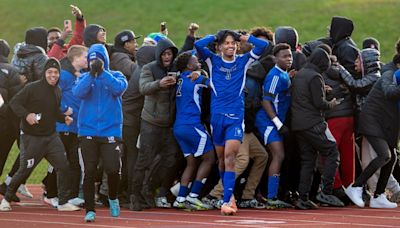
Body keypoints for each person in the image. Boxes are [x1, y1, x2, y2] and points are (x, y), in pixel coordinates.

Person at [195, 29, 268, 215]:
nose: (230, 46)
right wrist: (216, 36)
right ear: (219, 47)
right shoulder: (213, 61)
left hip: (235, 118)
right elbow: (198, 45)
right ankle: (229, 194)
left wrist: (245, 38)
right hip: (217, 119)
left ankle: (227, 201)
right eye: (226, 43)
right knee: (221, 160)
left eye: (233, 43)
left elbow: (264, 45)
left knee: (230, 158)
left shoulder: (243, 61)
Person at [0, 58, 79, 212]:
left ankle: (62, 202)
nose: (53, 75)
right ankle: (6, 199)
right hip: (32, 138)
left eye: (56, 72)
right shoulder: (32, 88)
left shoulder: (57, 90)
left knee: (63, 166)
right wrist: (27, 115)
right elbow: (15, 103)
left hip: (51, 137)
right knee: (24, 170)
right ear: (44, 73)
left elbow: (54, 111)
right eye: (50, 72)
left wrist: (64, 118)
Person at [72, 43, 127, 222]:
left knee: (113, 169)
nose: (95, 62)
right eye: (92, 60)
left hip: (110, 131)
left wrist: (102, 73)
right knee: (89, 171)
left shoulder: (116, 75)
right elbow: (77, 93)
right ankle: (90, 210)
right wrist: (92, 75)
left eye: (99, 59)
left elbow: (119, 89)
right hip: (87, 131)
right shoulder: (84, 78)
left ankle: (112, 197)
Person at [290, 48, 344, 209]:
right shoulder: (315, 76)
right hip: (313, 123)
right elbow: (319, 103)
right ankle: (326, 191)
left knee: (308, 161)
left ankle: (303, 197)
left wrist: (322, 90)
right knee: (332, 151)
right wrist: (332, 103)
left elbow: (305, 95)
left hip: (298, 125)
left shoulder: (301, 74)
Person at [130, 38, 179, 211]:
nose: (167, 57)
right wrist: (160, 84)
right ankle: (135, 196)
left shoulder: (175, 68)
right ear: (159, 55)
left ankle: (148, 189)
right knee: (144, 160)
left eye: (170, 54)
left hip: (168, 123)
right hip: (150, 122)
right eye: (165, 54)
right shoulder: (149, 68)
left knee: (170, 159)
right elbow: (143, 88)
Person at [345, 69, 400, 209]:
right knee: (384, 155)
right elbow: (389, 92)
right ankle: (356, 186)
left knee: (391, 157)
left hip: (386, 124)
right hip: (372, 121)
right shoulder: (389, 74)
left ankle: (378, 196)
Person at [42, 45, 88, 207]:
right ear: (75, 58)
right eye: (85, 56)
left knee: (73, 162)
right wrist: (64, 110)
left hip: (76, 127)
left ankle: (70, 195)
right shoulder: (65, 76)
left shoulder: (81, 75)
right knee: (60, 161)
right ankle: (51, 193)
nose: (87, 59)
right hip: (63, 127)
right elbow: (53, 95)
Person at [172, 52, 215, 210]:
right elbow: (215, 85)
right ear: (189, 65)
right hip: (192, 125)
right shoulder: (195, 78)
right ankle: (194, 196)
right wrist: (202, 74)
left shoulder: (181, 78)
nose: (199, 62)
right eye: (196, 61)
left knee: (191, 162)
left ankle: (181, 198)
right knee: (209, 158)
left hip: (179, 126)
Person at [255, 43, 293, 208]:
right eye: (285, 56)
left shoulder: (283, 74)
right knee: (278, 156)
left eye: (290, 56)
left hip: (274, 122)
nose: (289, 59)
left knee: (276, 157)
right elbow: (266, 100)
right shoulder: (275, 76)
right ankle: (271, 197)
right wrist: (278, 124)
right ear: (276, 58)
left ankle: (269, 194)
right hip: (268, 122)